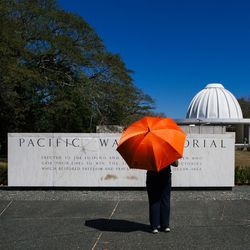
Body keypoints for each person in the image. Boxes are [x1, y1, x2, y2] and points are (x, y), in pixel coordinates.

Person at [146, 160, 178, 234]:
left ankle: (154, 226)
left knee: (154, 200)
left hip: (152, 174)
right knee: (165, 199)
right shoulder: (167, 150)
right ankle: (165, 225)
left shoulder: (148, 150)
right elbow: (176, 164)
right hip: (165, 174)